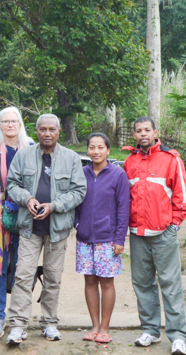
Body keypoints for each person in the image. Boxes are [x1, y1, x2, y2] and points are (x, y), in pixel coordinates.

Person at [5, 114, 87, 345]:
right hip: (29, 228)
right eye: (43, 129)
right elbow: (12, 184)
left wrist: (54, 206)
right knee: (22, 276)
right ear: (36, 131)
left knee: (53, 278)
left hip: (57, 229)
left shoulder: (71, 158)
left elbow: (79, 191)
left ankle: (49, 323)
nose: (47, 133)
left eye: (52, 129)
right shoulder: (23, 155)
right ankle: (18, 325)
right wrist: (27, 198)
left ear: (59, 131)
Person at [124, 117, 186, 355]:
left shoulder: (171, 159)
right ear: (134, 135)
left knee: (170, 284)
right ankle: (151, 331)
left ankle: (177, 336)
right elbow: (125, 199)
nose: (143, 133)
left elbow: (182, 197)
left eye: (147, 130)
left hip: (164, 233)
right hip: (137, 234)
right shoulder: (129, 161)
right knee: (142, 284)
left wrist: (174, 225)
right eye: (138, 130)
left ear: (155, 132)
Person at [0, 106, 33, 340]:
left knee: (23, 267)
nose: (10, 125)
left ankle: (19, 317)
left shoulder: (31, 150)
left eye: (14, 121)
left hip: (25, 213)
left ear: (20, 124)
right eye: (5, 121)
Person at [75, 132, 130, 344]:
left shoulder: (118, 175)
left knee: (106, 282)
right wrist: (77, 224)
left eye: (100, 147)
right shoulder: (81, 173)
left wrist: (119, 239)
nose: (96, 151)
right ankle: (94, 326)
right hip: (85, 238)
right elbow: (75, 202)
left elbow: (123, 208)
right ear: (87, 150)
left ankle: (105, 328)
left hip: (108, 239)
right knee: (89, 281)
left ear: (108, 150)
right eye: (92, 147)